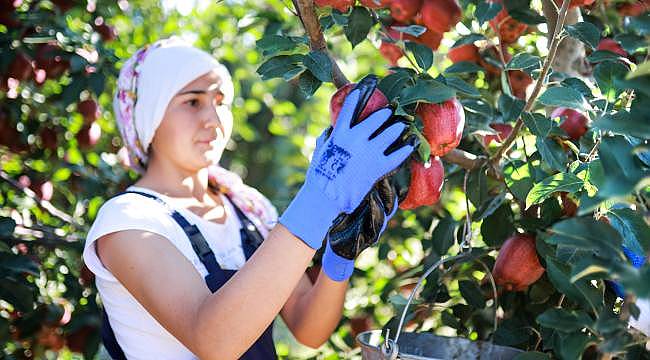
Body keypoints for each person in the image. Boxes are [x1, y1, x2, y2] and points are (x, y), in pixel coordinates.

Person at [82, 37, 415, 360]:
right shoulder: (127, 220)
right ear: (149, 115)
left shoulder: (246, 209)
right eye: (193, 101)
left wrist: (340, 255)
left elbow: (307, 328)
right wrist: (319, 197)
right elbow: (213, 340)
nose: (213, 119)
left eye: (221, 101)